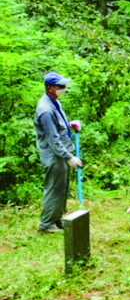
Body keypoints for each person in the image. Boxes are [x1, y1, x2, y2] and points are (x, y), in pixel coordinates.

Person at [34, 72, 82, 233]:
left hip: (60, 153)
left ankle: (56, 219)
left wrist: (70, 125)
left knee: (61, 188)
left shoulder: (54, 102)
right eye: (60, 86)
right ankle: (46, 223)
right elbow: (53, 139)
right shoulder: (45, 109)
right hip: (54, 155)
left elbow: (57, 127)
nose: (64, 88)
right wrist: (69, 157)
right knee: (54, 189)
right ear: (50, 88)